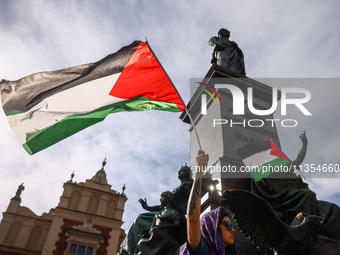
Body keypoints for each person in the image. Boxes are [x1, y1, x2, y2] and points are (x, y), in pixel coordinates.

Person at [183, 150, 238, 255]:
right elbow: (193, 220)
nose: (233, 230)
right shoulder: (202, 251)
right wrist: (199, 173)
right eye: (228, 225)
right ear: (213, 228)